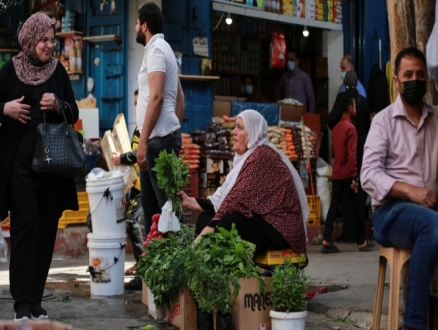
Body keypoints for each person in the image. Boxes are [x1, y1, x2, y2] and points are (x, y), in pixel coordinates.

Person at [0, 13, 79, 321]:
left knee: (46, 232)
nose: (49, 45)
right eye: (44, 39)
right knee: (26, 229)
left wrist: (58, 105)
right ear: (30, 39)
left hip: (51, 170)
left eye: (52, 39)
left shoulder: (57, 72)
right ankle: (21, 303)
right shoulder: (9, 70)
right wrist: (5, 109)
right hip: (19, 168)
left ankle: (35, 300)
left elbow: (72, 112)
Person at [361, 47, 438, 330]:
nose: (414, 80)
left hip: (429, 208)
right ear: (396, 81)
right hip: (390, 214)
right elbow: (368, 174)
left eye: (420, 75)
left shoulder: (436, 119)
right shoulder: (382, 121)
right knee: (432, 226)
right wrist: (411, 191)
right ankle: (414, 325)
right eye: (408, 75)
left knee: (431, 222)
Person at [178, 110, 309, 257]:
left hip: (280, 230)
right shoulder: (248, 157)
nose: (233, 132)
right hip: (263, 221)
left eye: (240, 128)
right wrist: (189, 201)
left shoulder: (261, 156)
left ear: (253, 133)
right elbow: (223, 197)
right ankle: (209, 264)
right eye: (235, 127)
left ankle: (209, 263)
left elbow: (235, 200)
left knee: (228, 221)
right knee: (206, 217)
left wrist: (198, 242)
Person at [135, 3, 185, 235]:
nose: (135, 26)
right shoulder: (164, 50)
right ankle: (153, 266)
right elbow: (180, 96)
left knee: (166, 211)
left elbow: (157, 96)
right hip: (161, 138)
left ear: (144, 25)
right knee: (152, 209)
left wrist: (143, 141)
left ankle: (176, 266)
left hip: (157, 141)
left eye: (137, 22)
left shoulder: (156, 50)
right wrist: (175, 128)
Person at [321, 93, 373, 253]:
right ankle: (361, 242)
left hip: (337, 174)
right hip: (348, 175)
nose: (356, 108)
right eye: (355, 106)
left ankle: (326, 240)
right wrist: (354, 176)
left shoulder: (336, 127)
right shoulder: (351, 128)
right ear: (350, 108)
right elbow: (352, 154)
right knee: (357, 206)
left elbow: (334, 151)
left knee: (333, 207)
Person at [111, 89, 144, 289]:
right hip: (137, 185)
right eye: (134, 102)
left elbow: (139, 153)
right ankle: (142, 266)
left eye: (140, 102)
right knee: (132, 223)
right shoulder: (138, 127)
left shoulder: (147, 127)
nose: (135, 106)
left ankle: (143, 271)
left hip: (146, 186)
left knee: (132, 223)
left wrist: (121, 158)